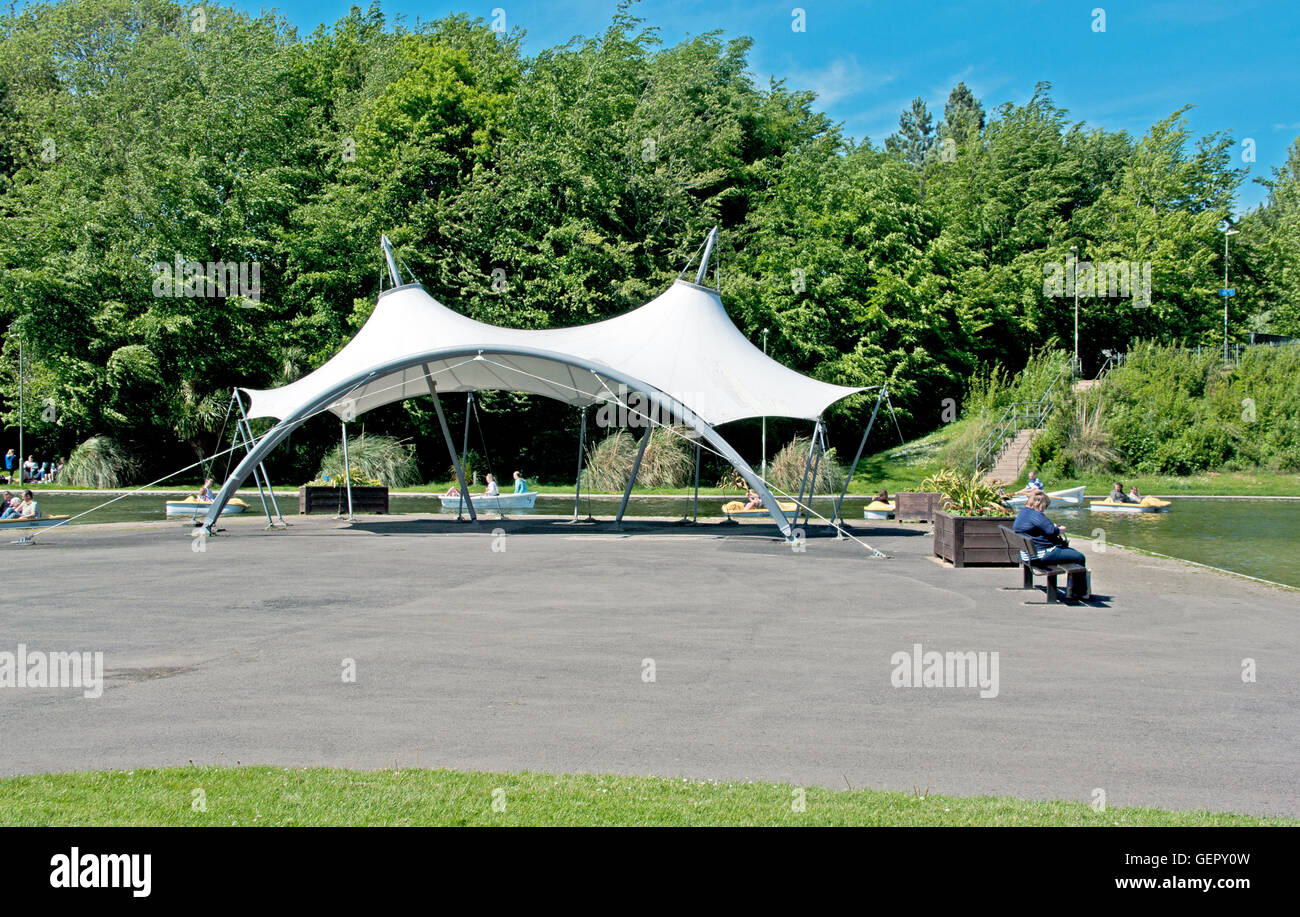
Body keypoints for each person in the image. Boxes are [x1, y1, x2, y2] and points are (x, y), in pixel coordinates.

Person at [1012, 490, 1086, 570]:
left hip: (1026, 554)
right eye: (1046, 505)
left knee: (1070, 553)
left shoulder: (1024, 512)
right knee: (1079, 557)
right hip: (1042, 554)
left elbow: (1043, 527)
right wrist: (1062, 529)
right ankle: (1077, 583)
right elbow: (1052, 531)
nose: (1045, 508)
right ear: (1041, 504)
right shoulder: (1036, 515)